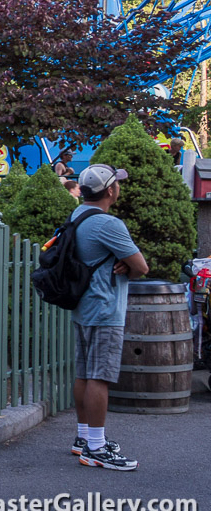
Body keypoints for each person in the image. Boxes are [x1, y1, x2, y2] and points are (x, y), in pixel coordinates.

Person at [68, 164, 147, 472]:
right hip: (105, 306)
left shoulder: (78, 216)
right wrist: (129, 265)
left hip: (84, 304)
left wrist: (123, 264)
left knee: (85, 372)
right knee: (100, 375)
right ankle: (97, 448)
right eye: (117, 184)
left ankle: (84, 437)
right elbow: (141, 266)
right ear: (110, 190)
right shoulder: (108, 224)